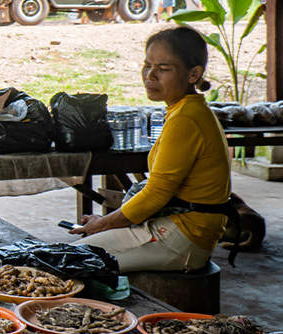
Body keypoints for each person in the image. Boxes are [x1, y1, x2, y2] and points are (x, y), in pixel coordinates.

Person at [71, 26, 231, 271]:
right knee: (68, 255)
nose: (150, 75)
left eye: (164, 68)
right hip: (175, 225)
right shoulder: (184, 110)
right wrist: (107, 223)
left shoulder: (186, 118)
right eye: (147, 65)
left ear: (193, 74)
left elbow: (156, 194)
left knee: (77, 265)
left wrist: (103, 223)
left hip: (185, 236)